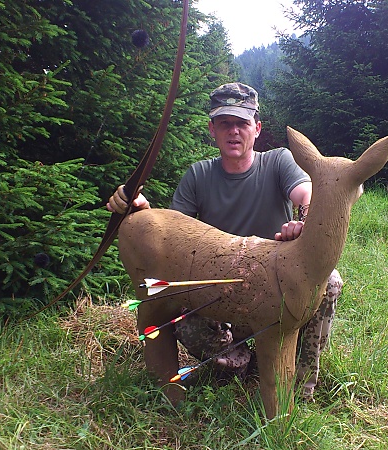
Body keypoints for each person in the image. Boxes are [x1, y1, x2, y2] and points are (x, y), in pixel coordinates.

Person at [107, 82, 343, 401]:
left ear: (256, 128)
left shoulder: (278, 162)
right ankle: (239, 365)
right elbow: (174, 236)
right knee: (180, 311)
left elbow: (306, 192)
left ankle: (300, 383)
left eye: (242, 123)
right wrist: (144, 213)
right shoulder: (198, 176)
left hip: (277, 295)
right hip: (221, 295)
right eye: (225, 123)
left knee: (329, 281)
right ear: (212, 130)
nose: (234, 131)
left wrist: (303, 220)